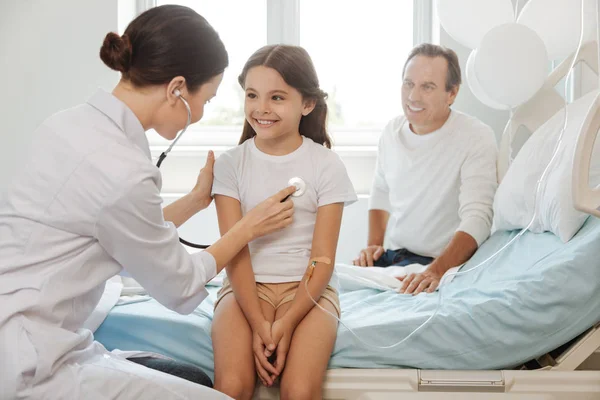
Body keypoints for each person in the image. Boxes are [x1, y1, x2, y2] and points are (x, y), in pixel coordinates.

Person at [0, 6, 296, 400]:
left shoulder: (67, 125)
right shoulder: (121, 169)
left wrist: (194, 201)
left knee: (190, 378)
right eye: (206, 99)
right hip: (32, 363)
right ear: (177, 89)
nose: (203, 113)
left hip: (33, 334)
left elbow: (116, 228)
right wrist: (249, 227)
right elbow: (179, 285)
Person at [210, 44, 357, 400]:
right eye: (252, 95)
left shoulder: (326, 165)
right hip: (244, 287)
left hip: (308, 292)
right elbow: (235, 252)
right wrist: (260, 324)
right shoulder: (230, 165)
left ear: (307, 104)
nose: (261, 108)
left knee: (300, 390)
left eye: (277, 97)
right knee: (231, 387)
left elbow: (322, 258)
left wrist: (286, 322)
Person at [353, 43, 498, 296]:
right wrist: (373, 247)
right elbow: (381, 190)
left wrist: (436, 271)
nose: (413, 97)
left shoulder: (475, 137)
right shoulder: (391, 132)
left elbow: (478, 217)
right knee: (330, 285)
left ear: (451, 94)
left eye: (427, 87)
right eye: (408, 84)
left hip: (445, 263)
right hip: (395, 259)